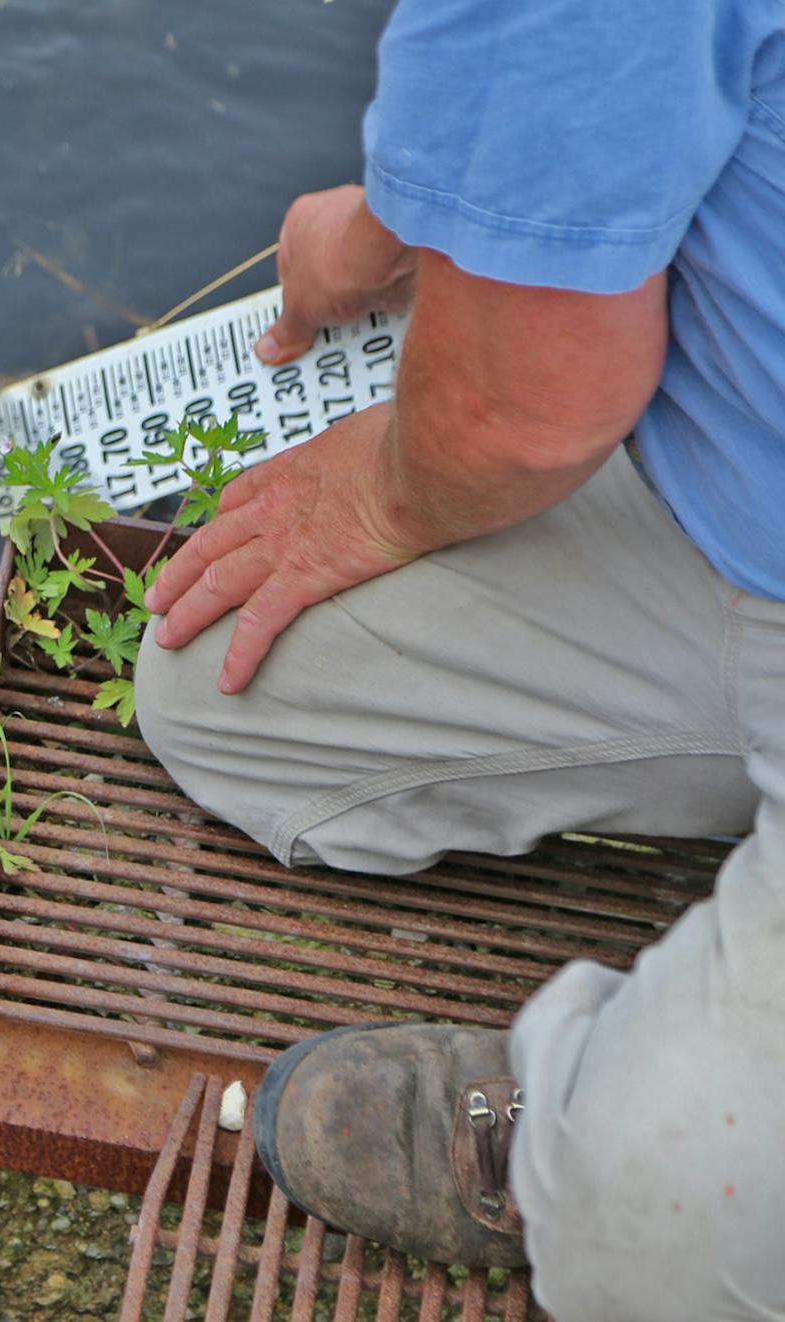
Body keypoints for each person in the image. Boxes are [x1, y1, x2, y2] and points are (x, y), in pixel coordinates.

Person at [130, 2, 785, 1318]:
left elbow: (522, 414)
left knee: (650, 1230)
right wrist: (412, 211)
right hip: (745, 510)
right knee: (227, 683)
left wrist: (390, 494)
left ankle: (611, 1097)